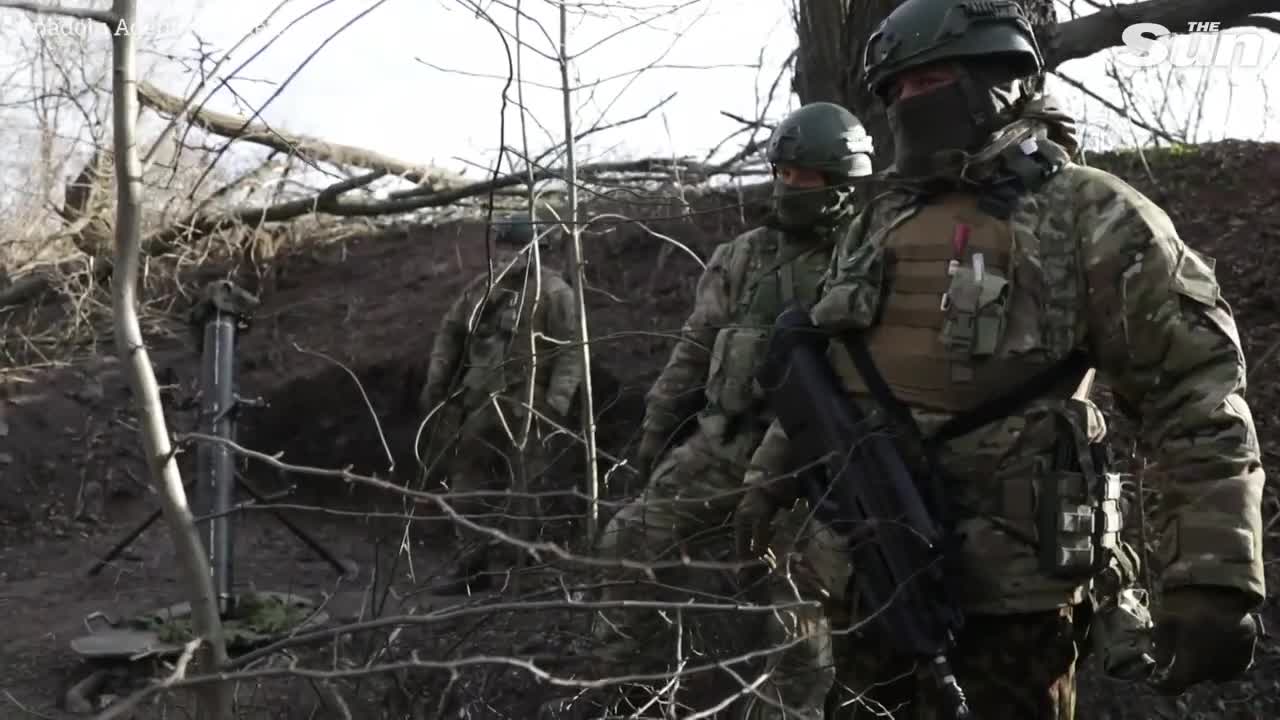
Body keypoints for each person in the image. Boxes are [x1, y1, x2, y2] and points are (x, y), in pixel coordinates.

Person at [733, 1, 1265, 718]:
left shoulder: (1090, 214)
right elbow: (831, 377)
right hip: (864, 580)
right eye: (897, 90)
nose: (910, 102)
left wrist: (1214, 571)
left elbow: (1194, 392)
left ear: (1002, 80)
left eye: (933, 81)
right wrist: (767, 481)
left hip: (1015, 602)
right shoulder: (879, 218)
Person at [588, 102, 875, 688]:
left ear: (842, 184)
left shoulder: (860, 260)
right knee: (629, 539)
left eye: (808, 177)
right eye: (784, 173)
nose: (790, 186)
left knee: (795, 616)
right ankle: (622, 686)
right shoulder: (744, 255)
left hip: (810, 464)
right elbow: (694, 350)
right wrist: (654, 432)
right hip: (722, 442)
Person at [419, 213, 584, 594]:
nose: (505, 256)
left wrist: (556, 404)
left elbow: (573, 351)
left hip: (529, 405)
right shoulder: (481, 289)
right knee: (466, 488)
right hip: (477, 403)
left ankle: (522, 572)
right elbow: (451, 331)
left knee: (527, 491)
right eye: (502, 248)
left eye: (514, 248)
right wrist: (438, 380)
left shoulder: (555, 292)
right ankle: (472, 567)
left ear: (536, 251)